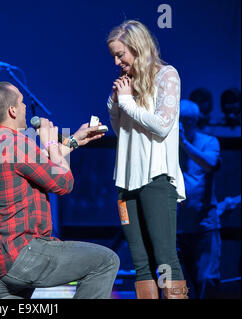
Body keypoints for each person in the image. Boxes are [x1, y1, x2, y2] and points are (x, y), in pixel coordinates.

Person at [0, 81, 120, 299]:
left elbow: (40, 167)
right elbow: (63, 183)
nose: (25, 107)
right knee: (105, 261)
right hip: (23, 255)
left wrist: (73, 141)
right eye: (21, 102)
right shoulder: (17, 144)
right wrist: (48, 142)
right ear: (11, 111)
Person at [106, 20, 188, 299]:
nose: (117, 61)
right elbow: (122, 132)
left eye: (121, 54)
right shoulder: (128, 84)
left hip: (156, 178)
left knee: (164, 259)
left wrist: (127, 103)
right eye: (114, 56)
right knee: (140, 264)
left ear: (137, 47)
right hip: (126, 182)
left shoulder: (167, 75)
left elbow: (163, 126)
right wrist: (117, 105)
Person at [177, 99, 222, 299]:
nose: (180, 125)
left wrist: (184, 144)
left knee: (206, 279)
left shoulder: (209, 142)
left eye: (185, 121)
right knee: (175, 282)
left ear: (193, 122)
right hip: (176, 229)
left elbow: (210, 164)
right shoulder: (165, 146)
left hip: (204, 227)